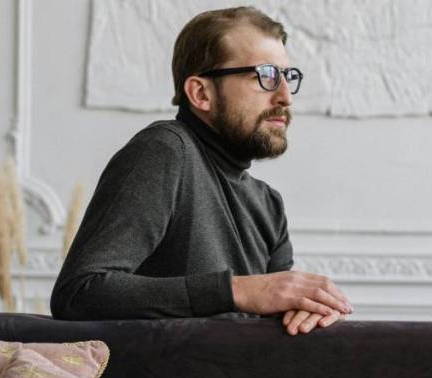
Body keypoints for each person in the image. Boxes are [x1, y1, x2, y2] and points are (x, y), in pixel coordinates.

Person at [51, 7, 352, 336]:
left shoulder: (269, 203)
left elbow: (275, 316)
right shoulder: (164, 151)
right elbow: (79, 292)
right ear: (201, 93)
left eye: (287, 77)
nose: (284, 97)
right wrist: (239, 291)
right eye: (265, 76)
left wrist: (308, 311)